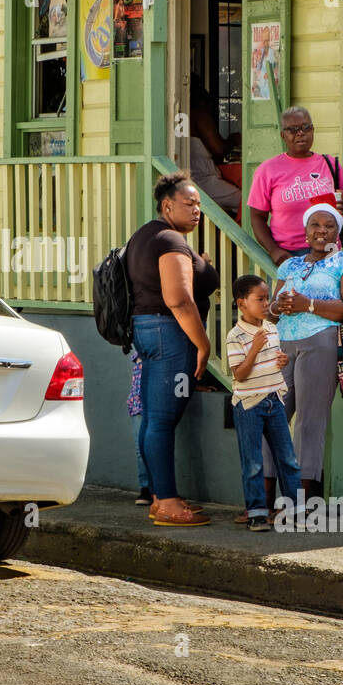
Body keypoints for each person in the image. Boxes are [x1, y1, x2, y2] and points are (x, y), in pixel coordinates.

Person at [127, 170, 218, 527]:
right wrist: (202, 343)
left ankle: (159, 497)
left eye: (199, 205)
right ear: (167, 205)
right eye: (189, 203)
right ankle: (167, 502)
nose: (197, 210)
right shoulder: (170, 240)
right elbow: (178, 299)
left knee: (153, 418)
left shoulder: (146, 235)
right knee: (163, 420)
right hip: (169, 334)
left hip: (147, 331)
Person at [269, 195, 343, 501]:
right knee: (271, 417)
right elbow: (270, 311)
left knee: (309, 422)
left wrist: (308, 304)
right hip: (283, 345)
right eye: (315, 224)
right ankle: (263, 501)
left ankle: (302, 500)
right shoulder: (290, 265)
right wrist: (278, 306)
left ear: (338, 231)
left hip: (320, 342)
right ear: (305, 230)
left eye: (329, 225)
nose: (321, 230)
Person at [227, 274, 302, 530]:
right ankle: (257, 513)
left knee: (287, 458)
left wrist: (282, 361)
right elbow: (239, 374)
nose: (266, 303)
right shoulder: (235, 336)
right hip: (249, 404)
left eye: (267, 298)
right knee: (253, 462)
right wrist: (255, 348)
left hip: (274, 400)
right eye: (259, 299)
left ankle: (295, 511)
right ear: (242, 303)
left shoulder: (271, 328)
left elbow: (274, 360)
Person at [248, 107, 343, 263]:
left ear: (313, 130)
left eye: (306, 127)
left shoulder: (330, 164)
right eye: (292, 129)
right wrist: (274, 250)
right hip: (288, 255)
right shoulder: (267, 170)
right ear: (283, 135)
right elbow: (257, 218)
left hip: (328, 252)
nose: (300, 133)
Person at [187, 84, 243, 218]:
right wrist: (233, 140)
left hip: (197, 179)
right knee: (245, 200)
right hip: (203, 181)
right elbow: (219, 150)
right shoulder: (199, 115)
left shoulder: (185, 117)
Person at [126, 349, 151, 505]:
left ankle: (158, 489)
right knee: (140, 448)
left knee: (159, 445)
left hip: (156, 401)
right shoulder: (140, 352)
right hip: (138, 402)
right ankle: (146, 488)